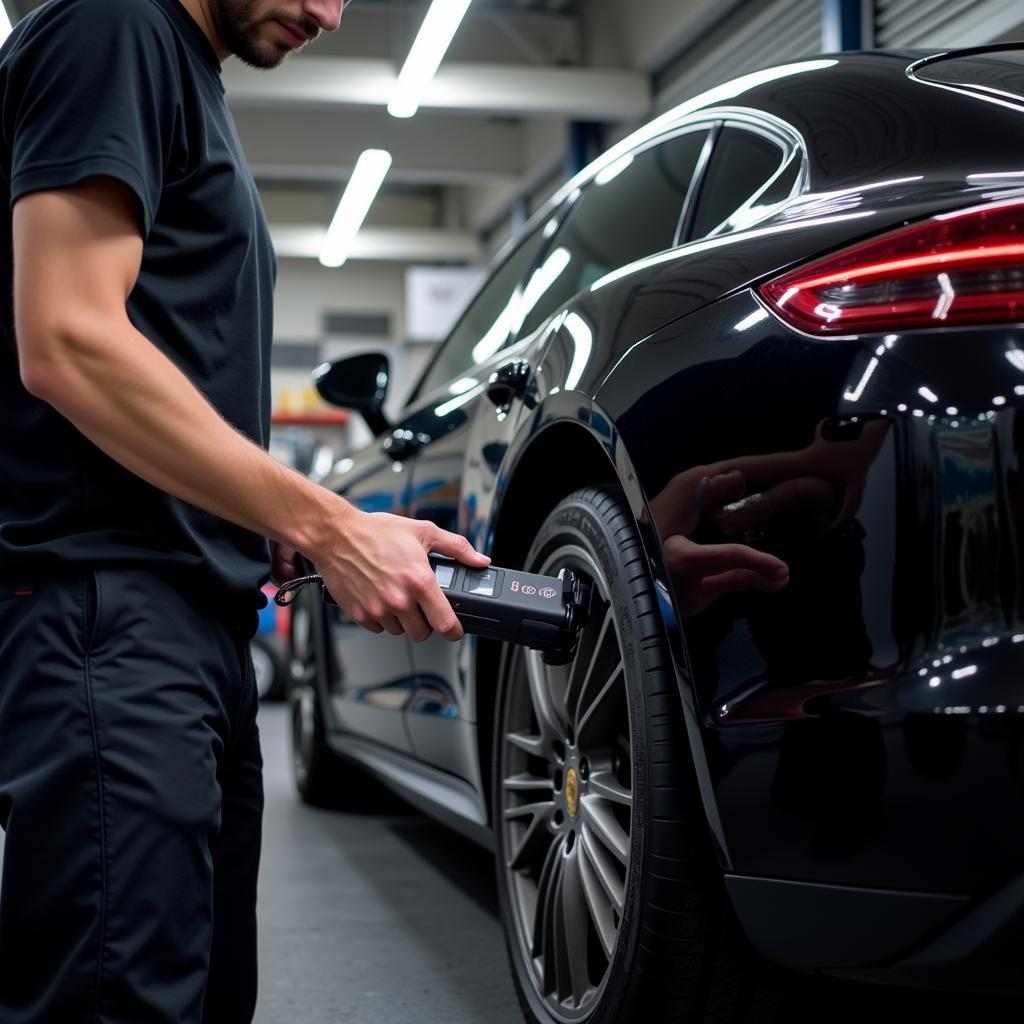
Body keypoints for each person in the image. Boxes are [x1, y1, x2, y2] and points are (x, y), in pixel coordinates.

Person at [0, 1, 488, 1021]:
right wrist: (327, 522)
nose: (329, 12)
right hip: (110, 622)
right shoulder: (114, 25)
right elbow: (68, 337)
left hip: (188, 627)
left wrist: (266, 518)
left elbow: (154, 360)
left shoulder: (190, 78)